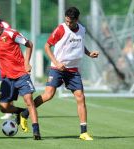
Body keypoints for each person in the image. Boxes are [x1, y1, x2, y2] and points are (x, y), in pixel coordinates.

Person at [21, 7, 99, 140]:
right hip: (57, 69)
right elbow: (47, 46)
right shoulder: (61, 29)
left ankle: (83, 132)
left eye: (71, 21)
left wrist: (89, 53)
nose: (68, 23)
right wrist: (56, 63)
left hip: (73, 70)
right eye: (66, 20)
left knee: (81, 97)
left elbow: (81, 45)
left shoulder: (82, 29)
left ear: (77, 19)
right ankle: (25, 113)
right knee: (48, 95)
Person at [0, 17, 41, 140]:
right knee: (3, 107)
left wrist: (26, 63)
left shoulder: (11, 33)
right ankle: (21, 113)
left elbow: (29, 44)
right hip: (7, 77)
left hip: (21, 74)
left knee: (29, 100)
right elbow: (1, 51)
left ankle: (36, 131)